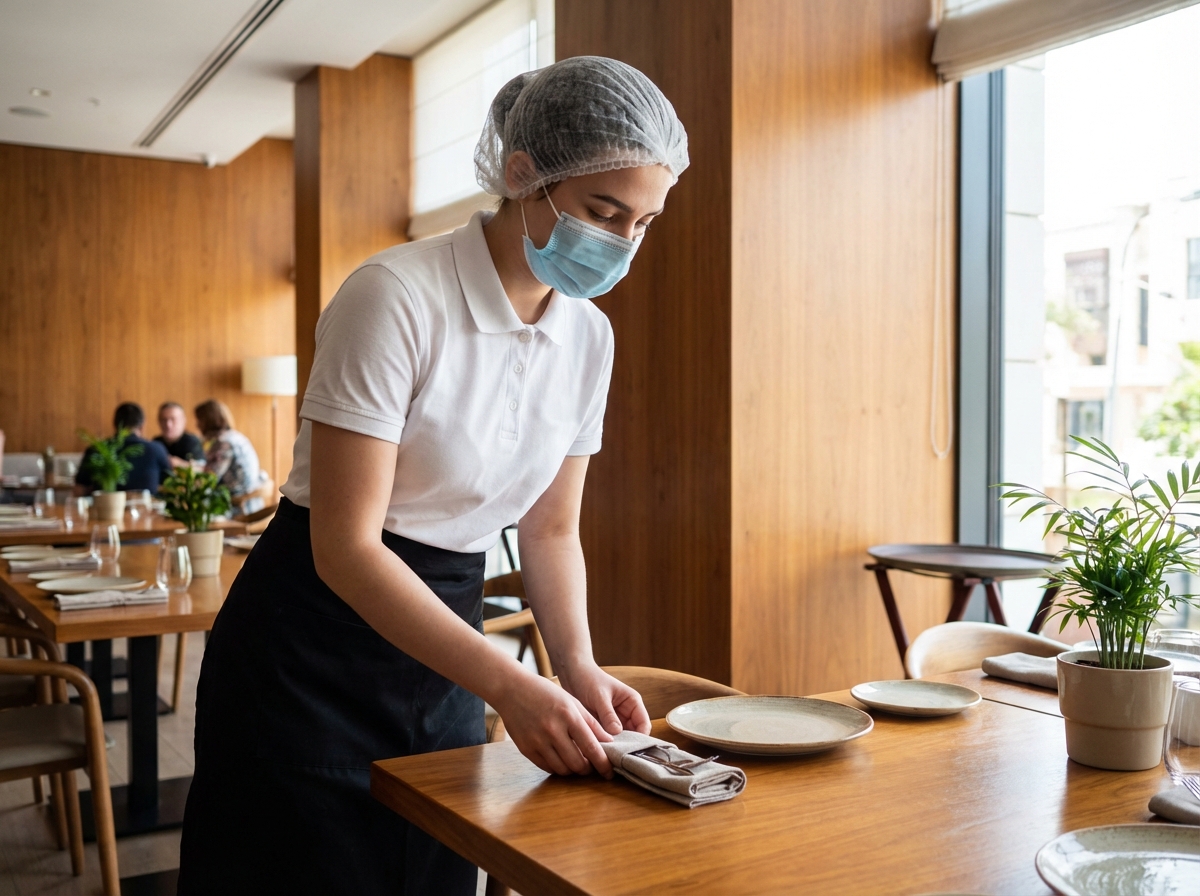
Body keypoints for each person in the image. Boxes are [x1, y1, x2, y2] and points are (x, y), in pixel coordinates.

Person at [178, 56, 689, 895]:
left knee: (435, 870)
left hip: (444, 630)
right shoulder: (395, 296)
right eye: (604, 212)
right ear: (525, 176)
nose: (623, 242)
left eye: (644, 222)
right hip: (310, 643)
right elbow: (345, 546)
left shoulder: (589, 337)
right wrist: (512, 686)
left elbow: (551, 528)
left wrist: (576, 668)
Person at [74, 403, 172, 494]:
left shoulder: (97, 449)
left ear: (115, 425)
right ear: (142, 426)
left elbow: (79, 488)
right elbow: (169, 484)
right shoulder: (156, 449)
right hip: (146, 510)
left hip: (105, 510)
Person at [193, 399, 264, 514]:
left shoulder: (223, 443)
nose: (197, 425)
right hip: (253, 504)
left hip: (238, 508)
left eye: (199, 420)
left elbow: (209, 478)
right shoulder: (235, 437)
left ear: (208, 421)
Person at [153, 401, 205, 468]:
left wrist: (179, 464)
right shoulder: (156, 443)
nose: (168, 425)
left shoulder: (192, 442)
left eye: (173, 419)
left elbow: (202, 469)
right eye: (164, 420)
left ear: (183, 420)